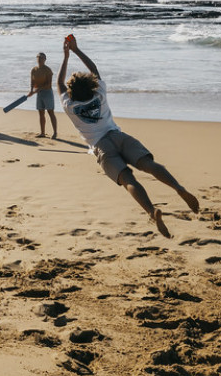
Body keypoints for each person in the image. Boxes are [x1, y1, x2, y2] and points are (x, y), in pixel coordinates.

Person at [57, 37, 199, 238]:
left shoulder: (70, 106)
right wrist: (76, 50)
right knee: (149, 165)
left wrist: (64, 57)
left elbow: (59, 84)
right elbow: (94, 69)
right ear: (90, 85)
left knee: (128, 180)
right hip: (119, 136)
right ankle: (179, 188)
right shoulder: (99, 93)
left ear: (72, 92)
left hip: (101, 147)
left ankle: (152, 211)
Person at [27, 52, 58, 138]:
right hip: (39, 93)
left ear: (45, 60)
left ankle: (55, 133)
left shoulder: (48, 70)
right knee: (41, 112)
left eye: (42, 58)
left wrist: (37, 90)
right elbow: (32, 81)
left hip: (47, 92)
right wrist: (31, 91)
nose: (40, 59)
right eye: (38, 57)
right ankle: (42, 133)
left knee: (50, 112)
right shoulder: (34, 70)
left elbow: (49, 84)